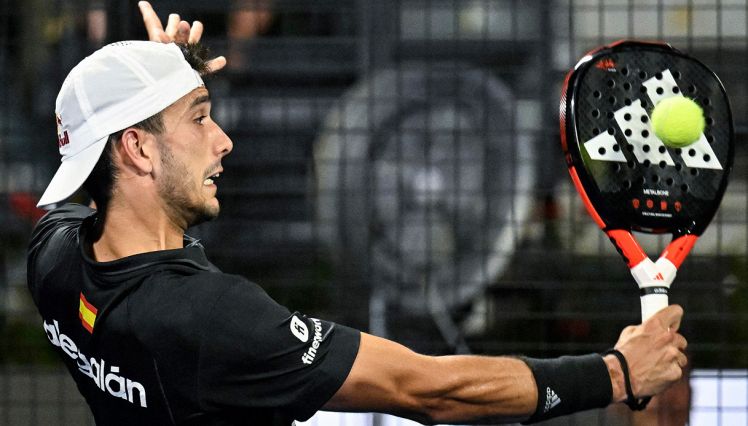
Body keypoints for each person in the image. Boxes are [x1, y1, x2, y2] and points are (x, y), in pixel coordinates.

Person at [26, 2, 688, 425]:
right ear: (138, 148)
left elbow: (86, 188)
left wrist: (158, 84)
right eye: (200, 119)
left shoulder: (54, 260)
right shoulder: (208, 319)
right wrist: (616, 374)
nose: (223, 140)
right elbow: (428, 389)